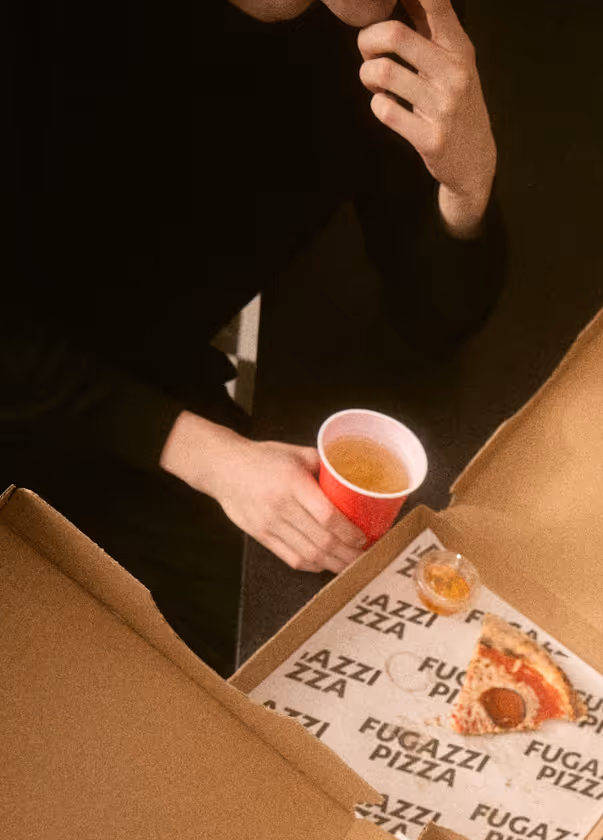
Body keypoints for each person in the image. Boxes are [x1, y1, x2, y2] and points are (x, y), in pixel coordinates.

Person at [0, 0, 503, 675]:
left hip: (143, 394)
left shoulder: (388, 31)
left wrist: (467, 186)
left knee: (341, 644)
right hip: (58, 383)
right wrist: (212, 458)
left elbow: (429, 320)